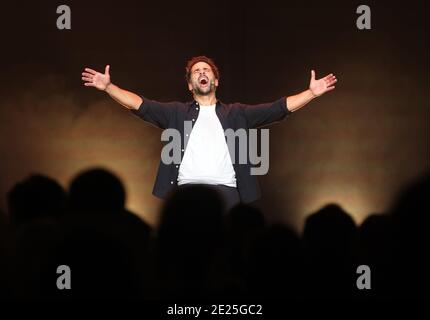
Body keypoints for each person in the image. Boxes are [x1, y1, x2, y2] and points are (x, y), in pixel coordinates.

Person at [81, 56, 337, 210]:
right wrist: (109, 87)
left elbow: (278, 109)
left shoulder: (237, 113)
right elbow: (139, 104)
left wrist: (312, 94)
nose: (202, 73)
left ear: (216, 81)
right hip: (185, 193)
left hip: (227, 192)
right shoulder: (176, 113)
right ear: (191, 84)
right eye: (196, 72)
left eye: (207, 71)